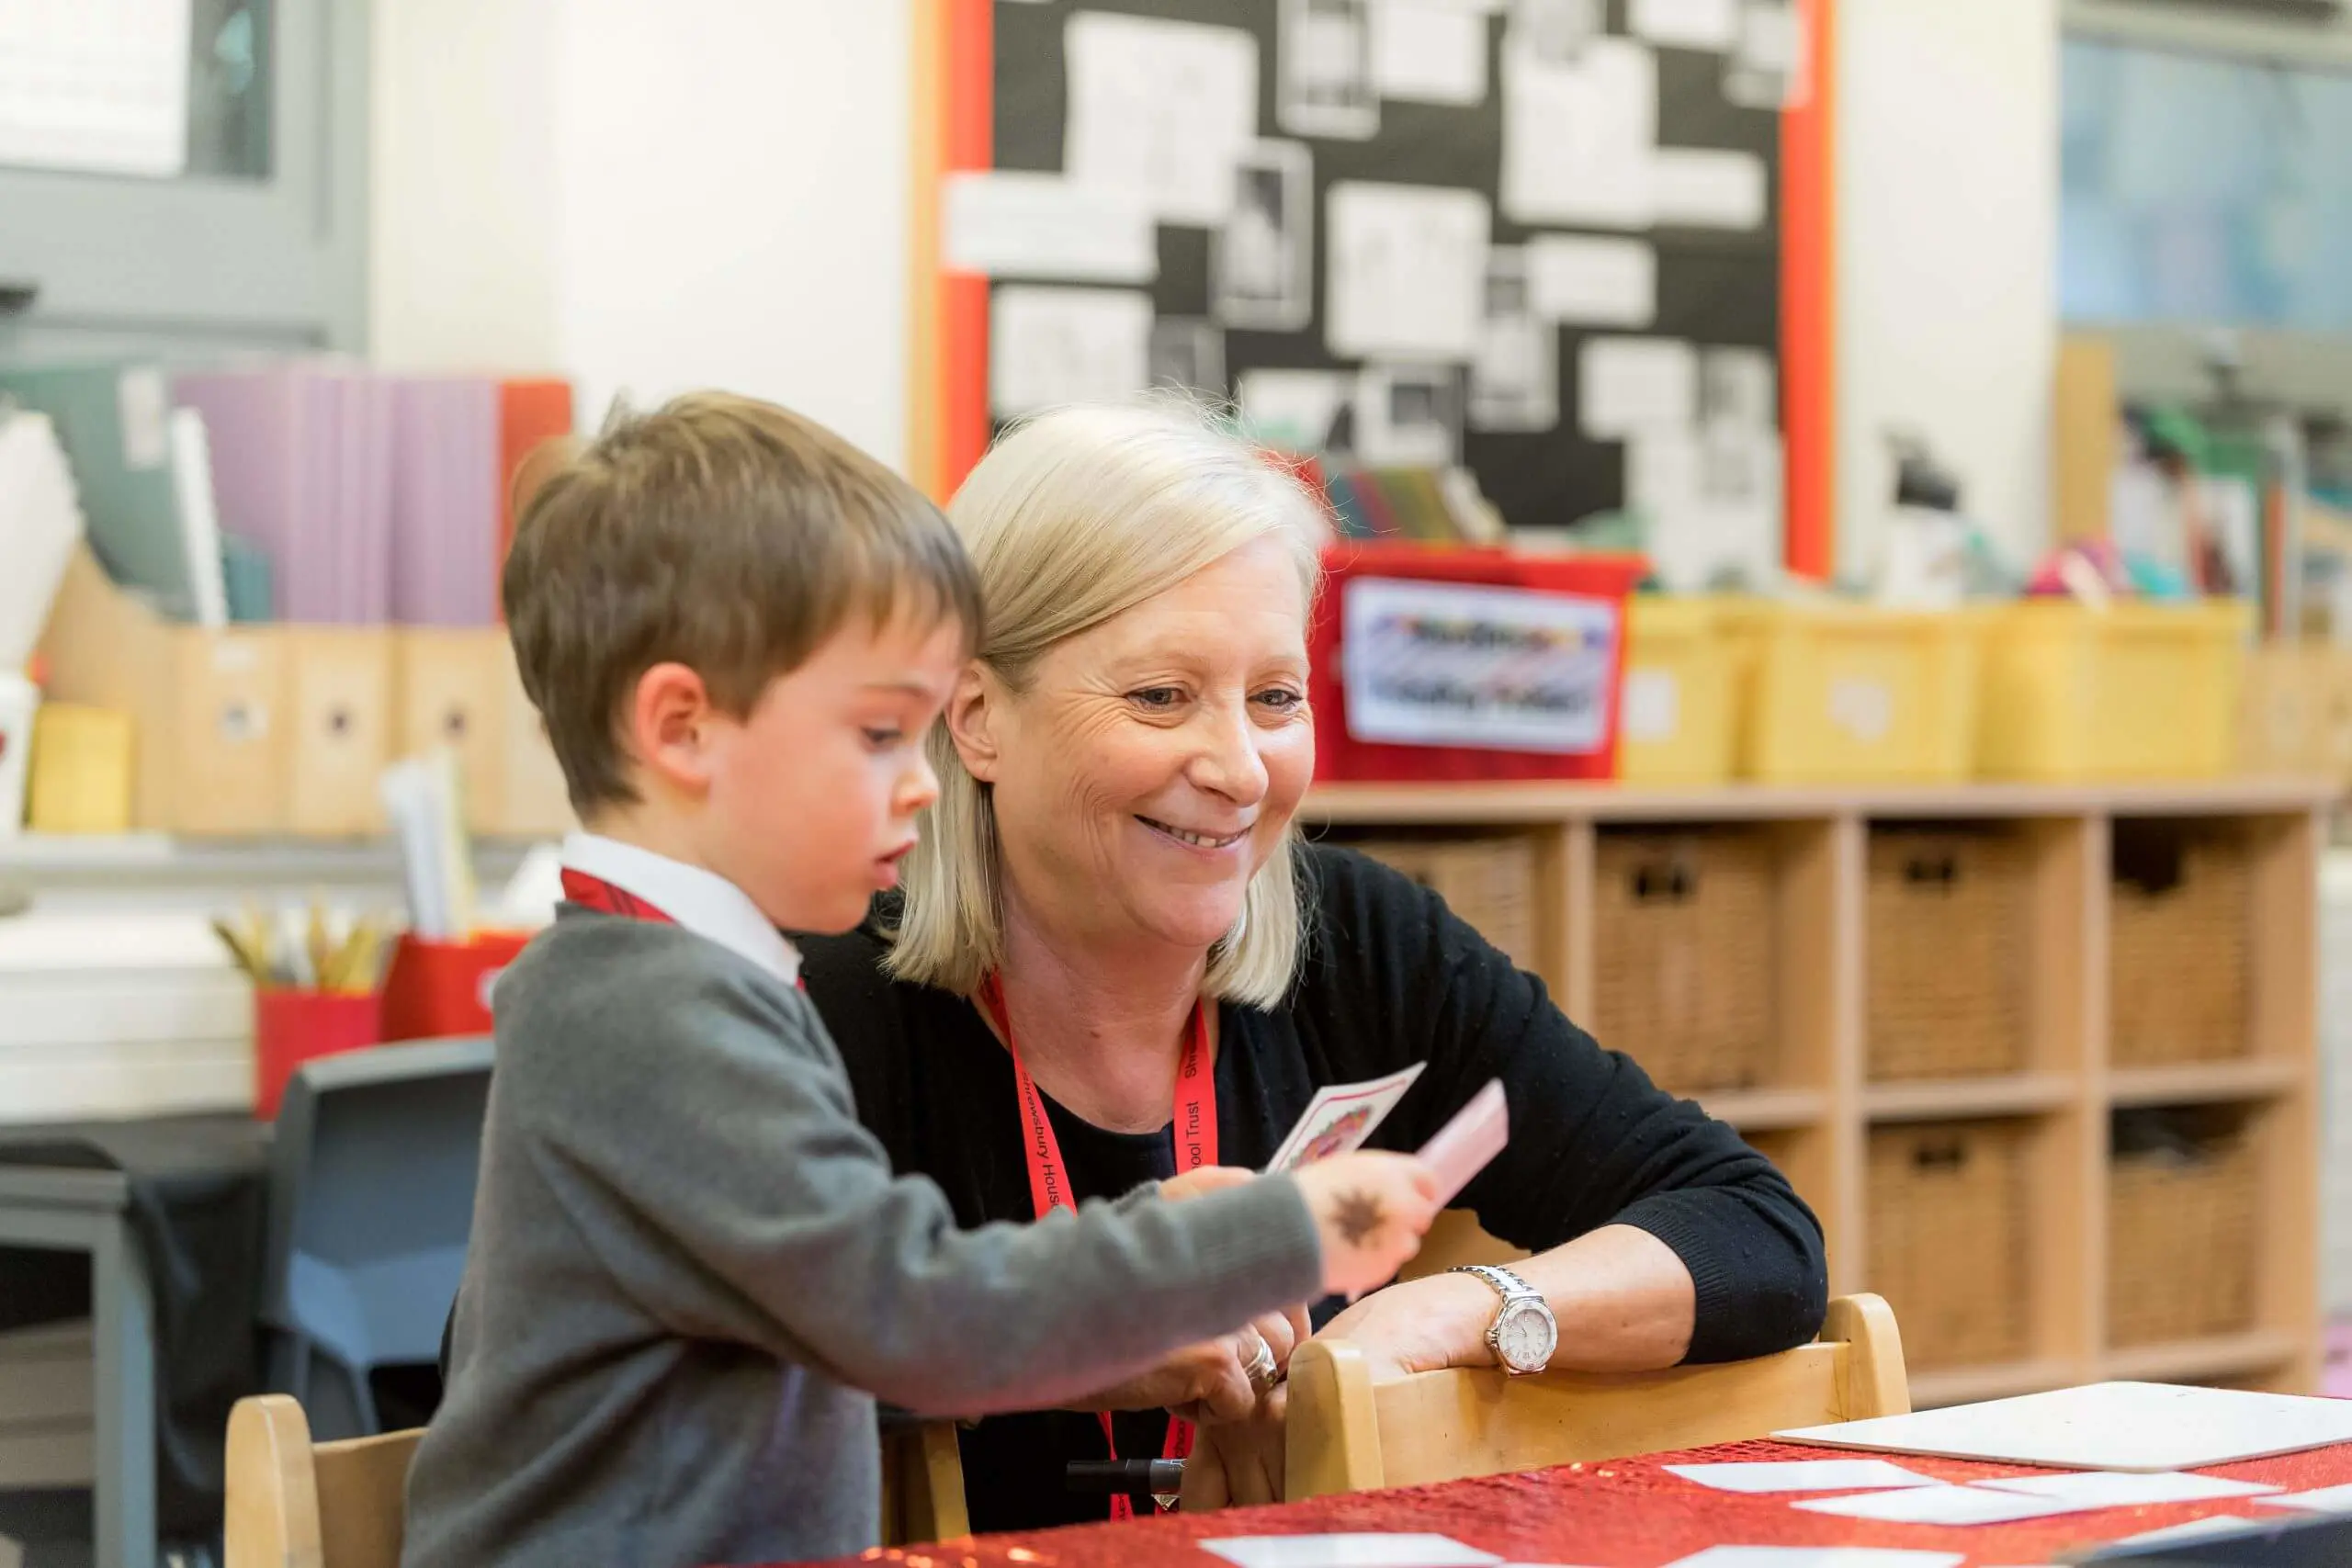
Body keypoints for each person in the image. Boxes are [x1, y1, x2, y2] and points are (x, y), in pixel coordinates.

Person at [400, 393, 1444, 1568]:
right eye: (881, 735)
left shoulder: (677, 978)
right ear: (683, 731)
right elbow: (909, 1310)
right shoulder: (652, 1014)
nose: (923, 782)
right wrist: (1263, 1237)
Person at [798, 400, 1830, 1529]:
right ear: (980, 716)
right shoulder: (822, 999)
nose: (1240, 769)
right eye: (1159, 696)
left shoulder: (1360, 945)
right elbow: (705, 1356)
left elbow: (1755, 1235)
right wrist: (1064, 1333)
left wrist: (1453, 1313)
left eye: (1275, 698)